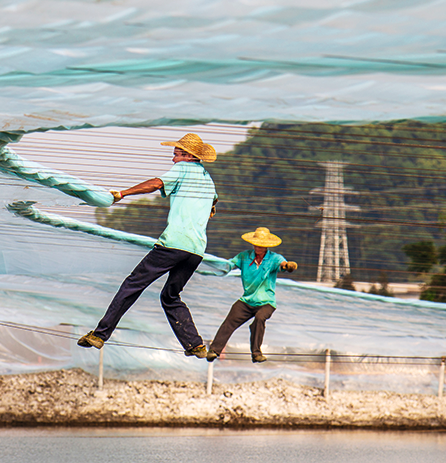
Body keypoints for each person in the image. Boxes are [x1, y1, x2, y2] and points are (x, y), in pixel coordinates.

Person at [77, 133, 219, 359]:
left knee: (132, 285)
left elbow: (155, 184)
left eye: (175, 155)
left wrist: (123, 193)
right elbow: (213, 205)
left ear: (188, 155)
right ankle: (196, 345)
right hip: (196, 250)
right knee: (171, 297)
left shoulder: (183, 169)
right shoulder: (208, 179)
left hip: (173, 243)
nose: (173, 160)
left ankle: (100, 335)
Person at [206, 227, 298, 363]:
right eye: (256, 243)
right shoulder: (244, 256)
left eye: (261, 244)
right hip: (247, 300)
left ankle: (256, 353)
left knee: (260, 318)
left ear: (266, 245)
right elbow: (229, 264)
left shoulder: (273, 258)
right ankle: (214, 350)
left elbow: (283, 264)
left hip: (266, 302)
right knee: (229, 321)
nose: (258, 247)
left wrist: (288, 266)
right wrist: (208, 262)